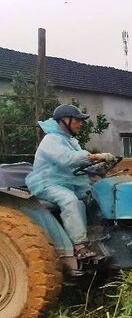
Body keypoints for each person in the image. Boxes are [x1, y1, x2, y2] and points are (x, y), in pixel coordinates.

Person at [25, 105, 114, 259]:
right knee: (70, 200)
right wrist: (94, 156)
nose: (81, 124)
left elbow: (81, 163)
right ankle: (79, 246)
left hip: (69, 183)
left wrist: (100, 165)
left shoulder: (71, 141)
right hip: (48, 183)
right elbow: (66, 159)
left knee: (94, 197)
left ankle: (104, 234)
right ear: (64, 120)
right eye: (78, 120)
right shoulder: (51, 139)